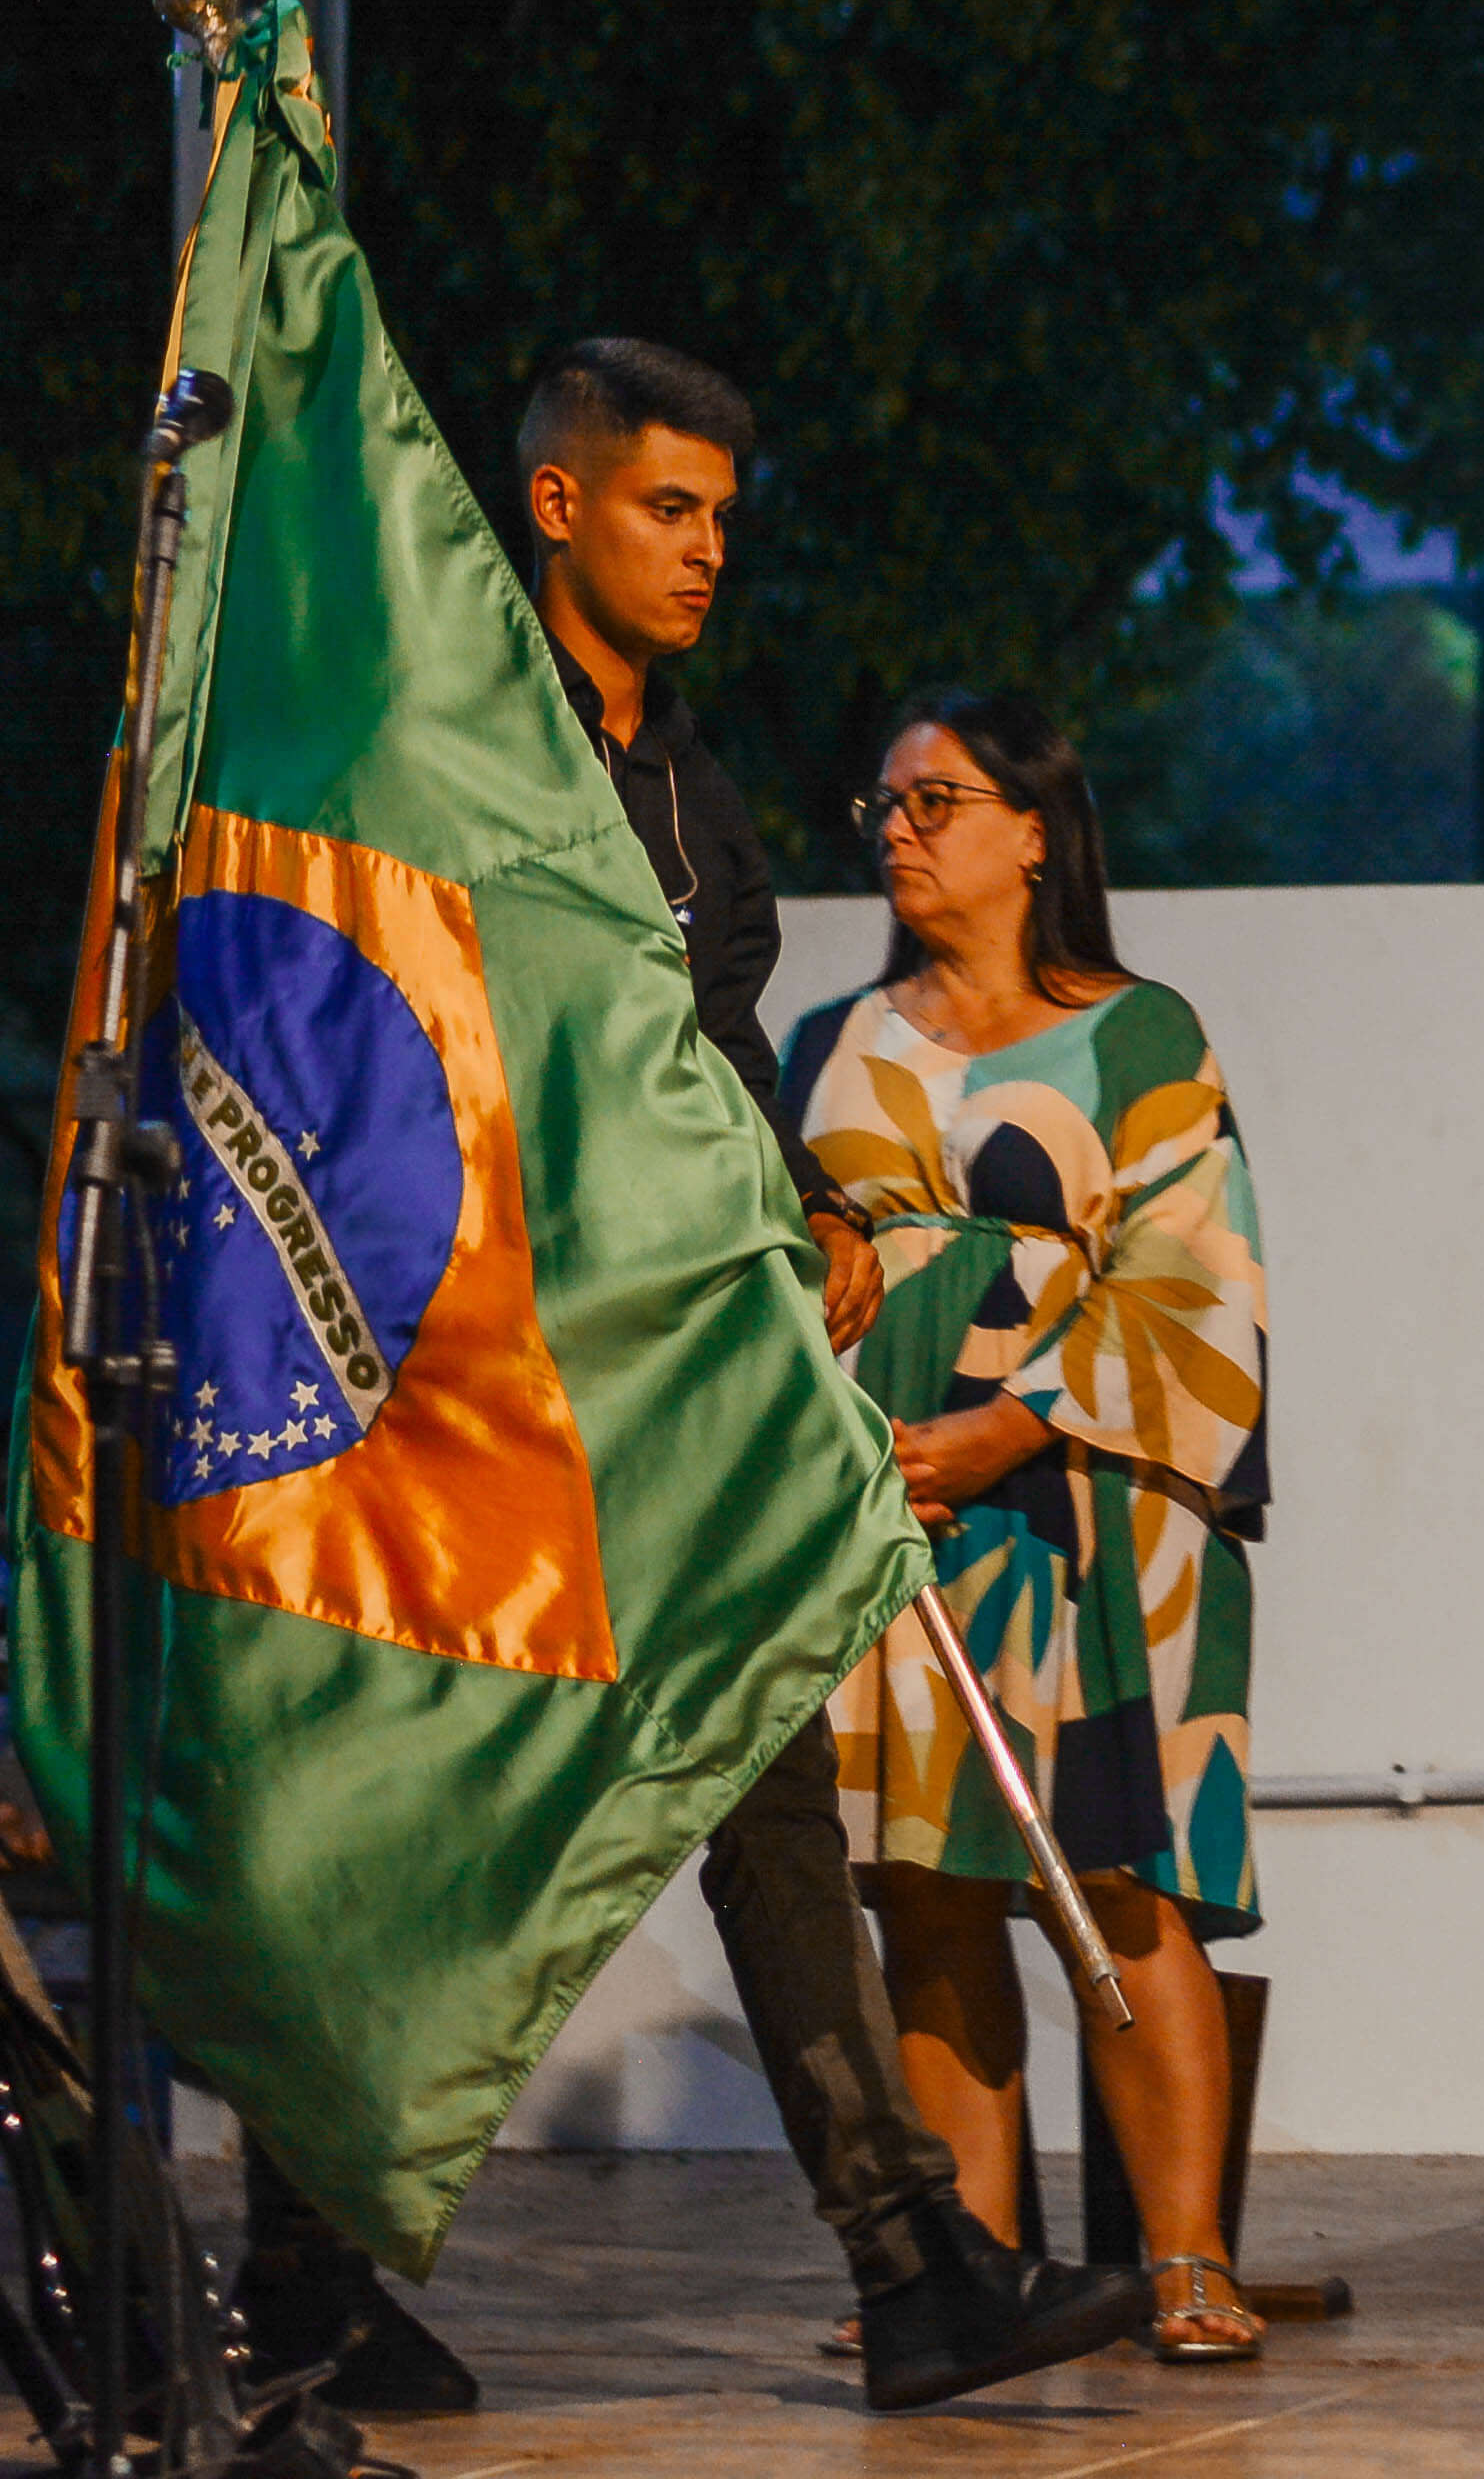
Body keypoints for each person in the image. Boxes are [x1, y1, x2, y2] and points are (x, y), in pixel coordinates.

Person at [237, 344, 1147, 2418]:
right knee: (397, 1817)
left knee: (763, 1759)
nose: (709, 550)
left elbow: (713, 1065)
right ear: (556, 508)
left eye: (724, 518)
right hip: (458, 1402)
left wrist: (810, 1210)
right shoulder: (452, 750)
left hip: (650, 1394)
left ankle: (912, 2262)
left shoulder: (692, 787)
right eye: (670, 508)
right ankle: (298, 2278)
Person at [781, 690, 1275, 2367]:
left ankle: (1189, 2255)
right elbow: (774, 1241)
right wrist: (824, 1249)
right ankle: (973, 2270)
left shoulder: (1136, 1033)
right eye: (886, 804)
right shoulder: (831, 1040)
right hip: (893, 1508)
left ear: (1036, 830)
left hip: (1090, 1508)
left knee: (1114, 1877)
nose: (899, 831)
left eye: (938, 801)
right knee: (925, 1887)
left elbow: (1194, 1271)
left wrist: (1007, 1424)